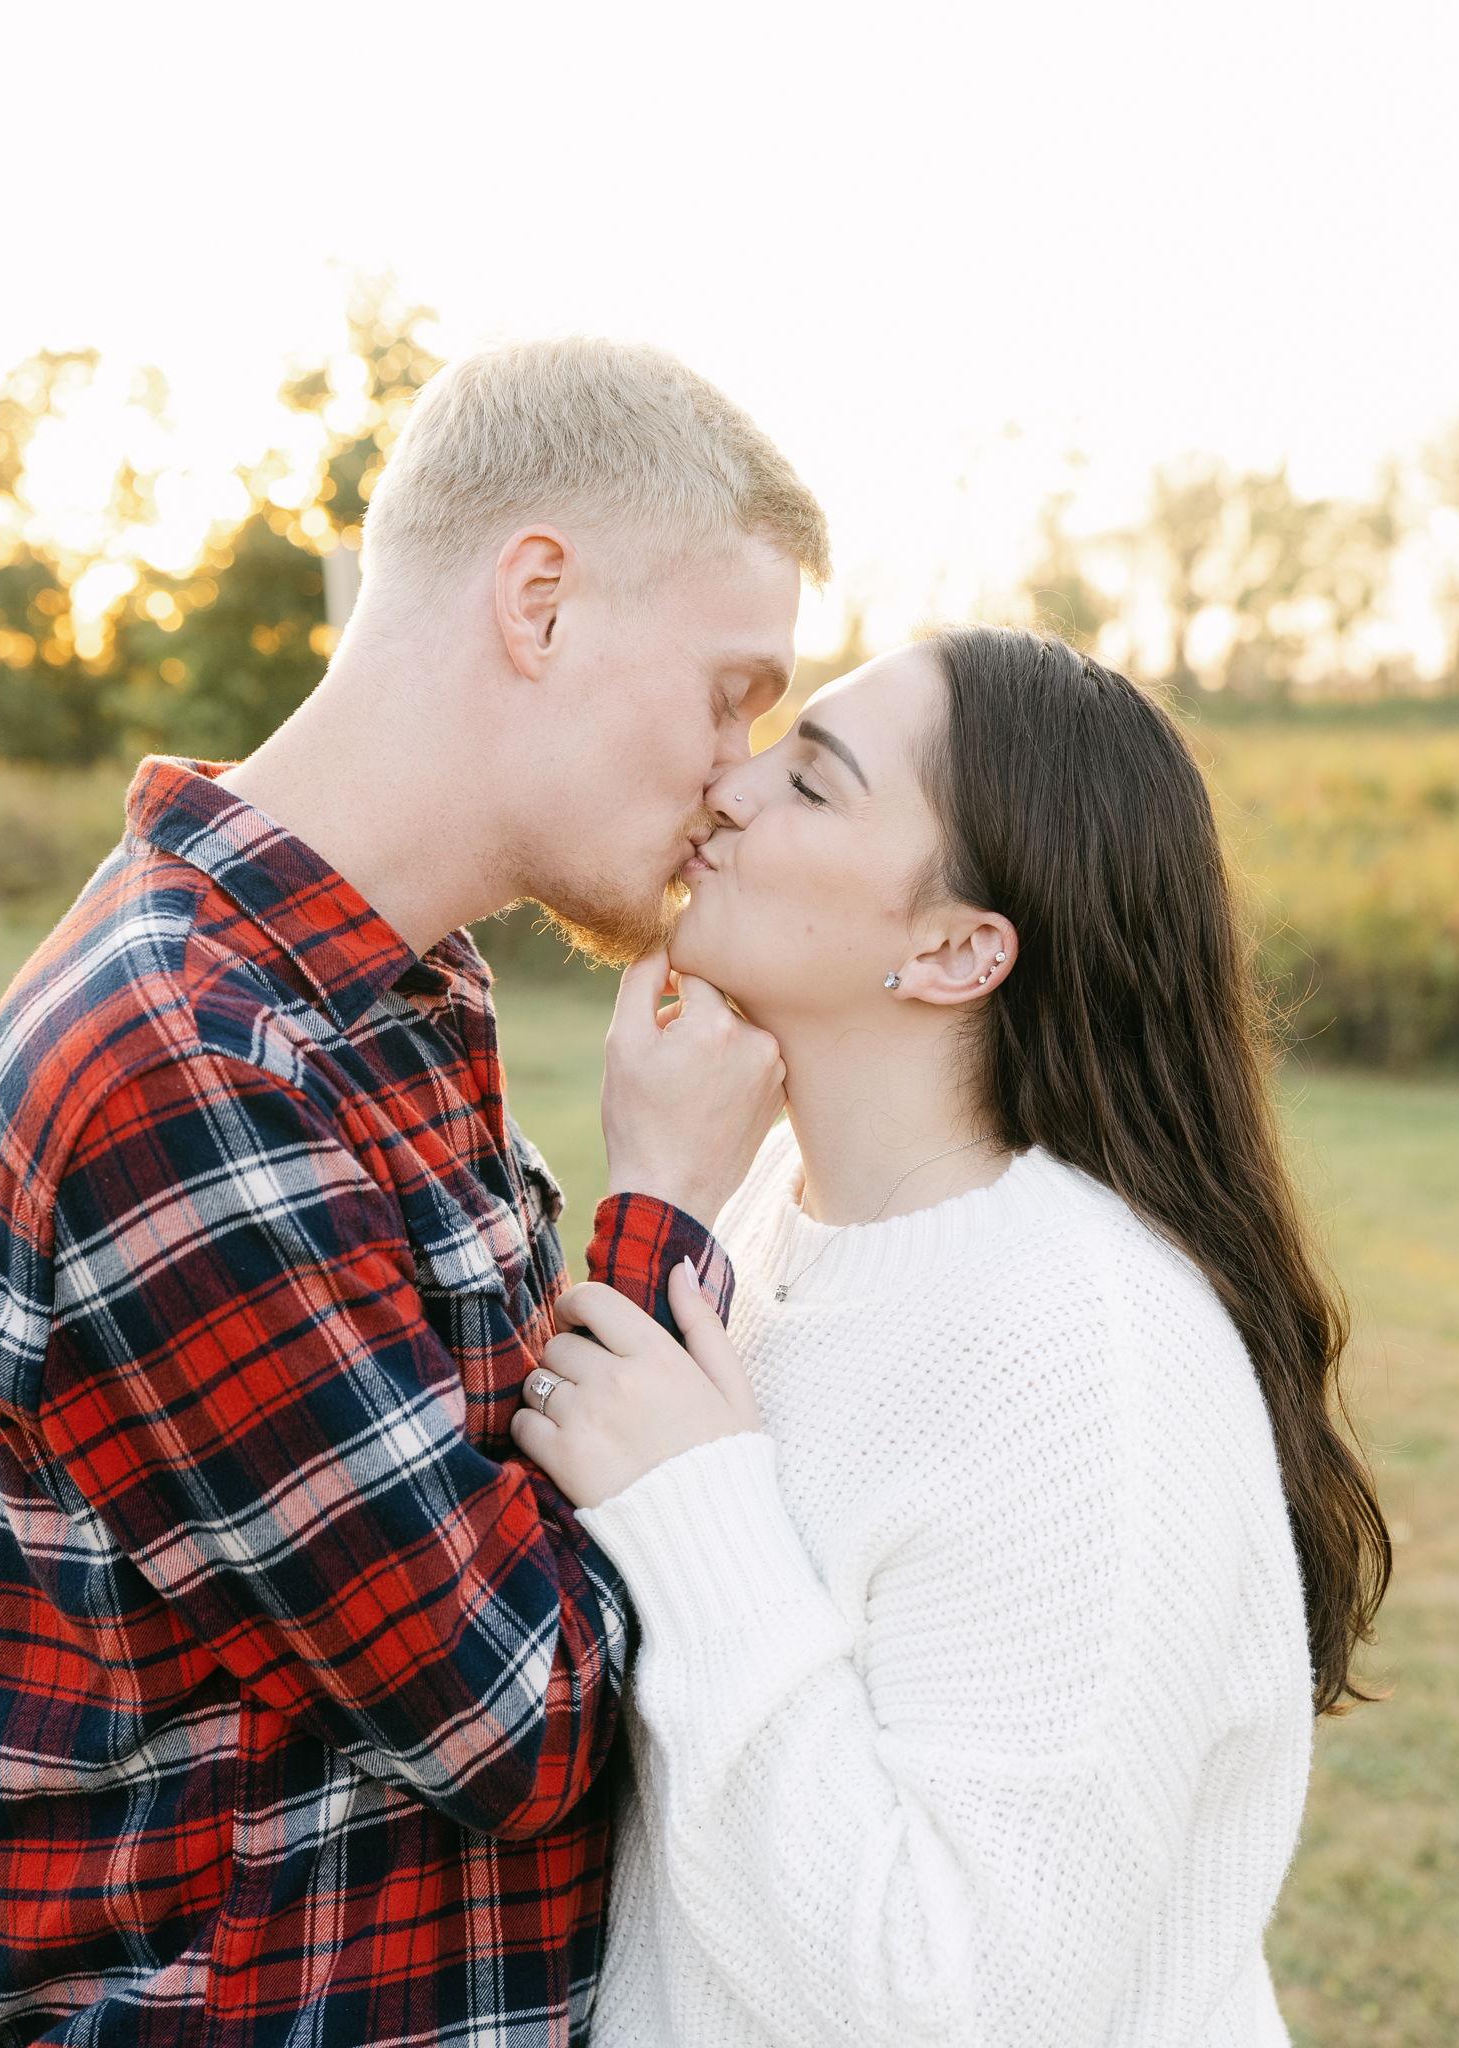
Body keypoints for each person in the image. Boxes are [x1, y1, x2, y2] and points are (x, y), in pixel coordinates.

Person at [0, 336, 826, 2046]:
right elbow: (524, 1724)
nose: (736, 773)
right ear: (542, 603)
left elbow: (510, 1490)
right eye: (731, 689)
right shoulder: (184, 1059)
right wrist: (665, 1202)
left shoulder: (405, 994)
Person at [513, 626, 1393, 2045]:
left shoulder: (1086, 1353)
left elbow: (961, 2001)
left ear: (952, 950)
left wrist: (696, 1511)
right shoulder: (752, 1219)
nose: (729, 788)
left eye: (815, 782)